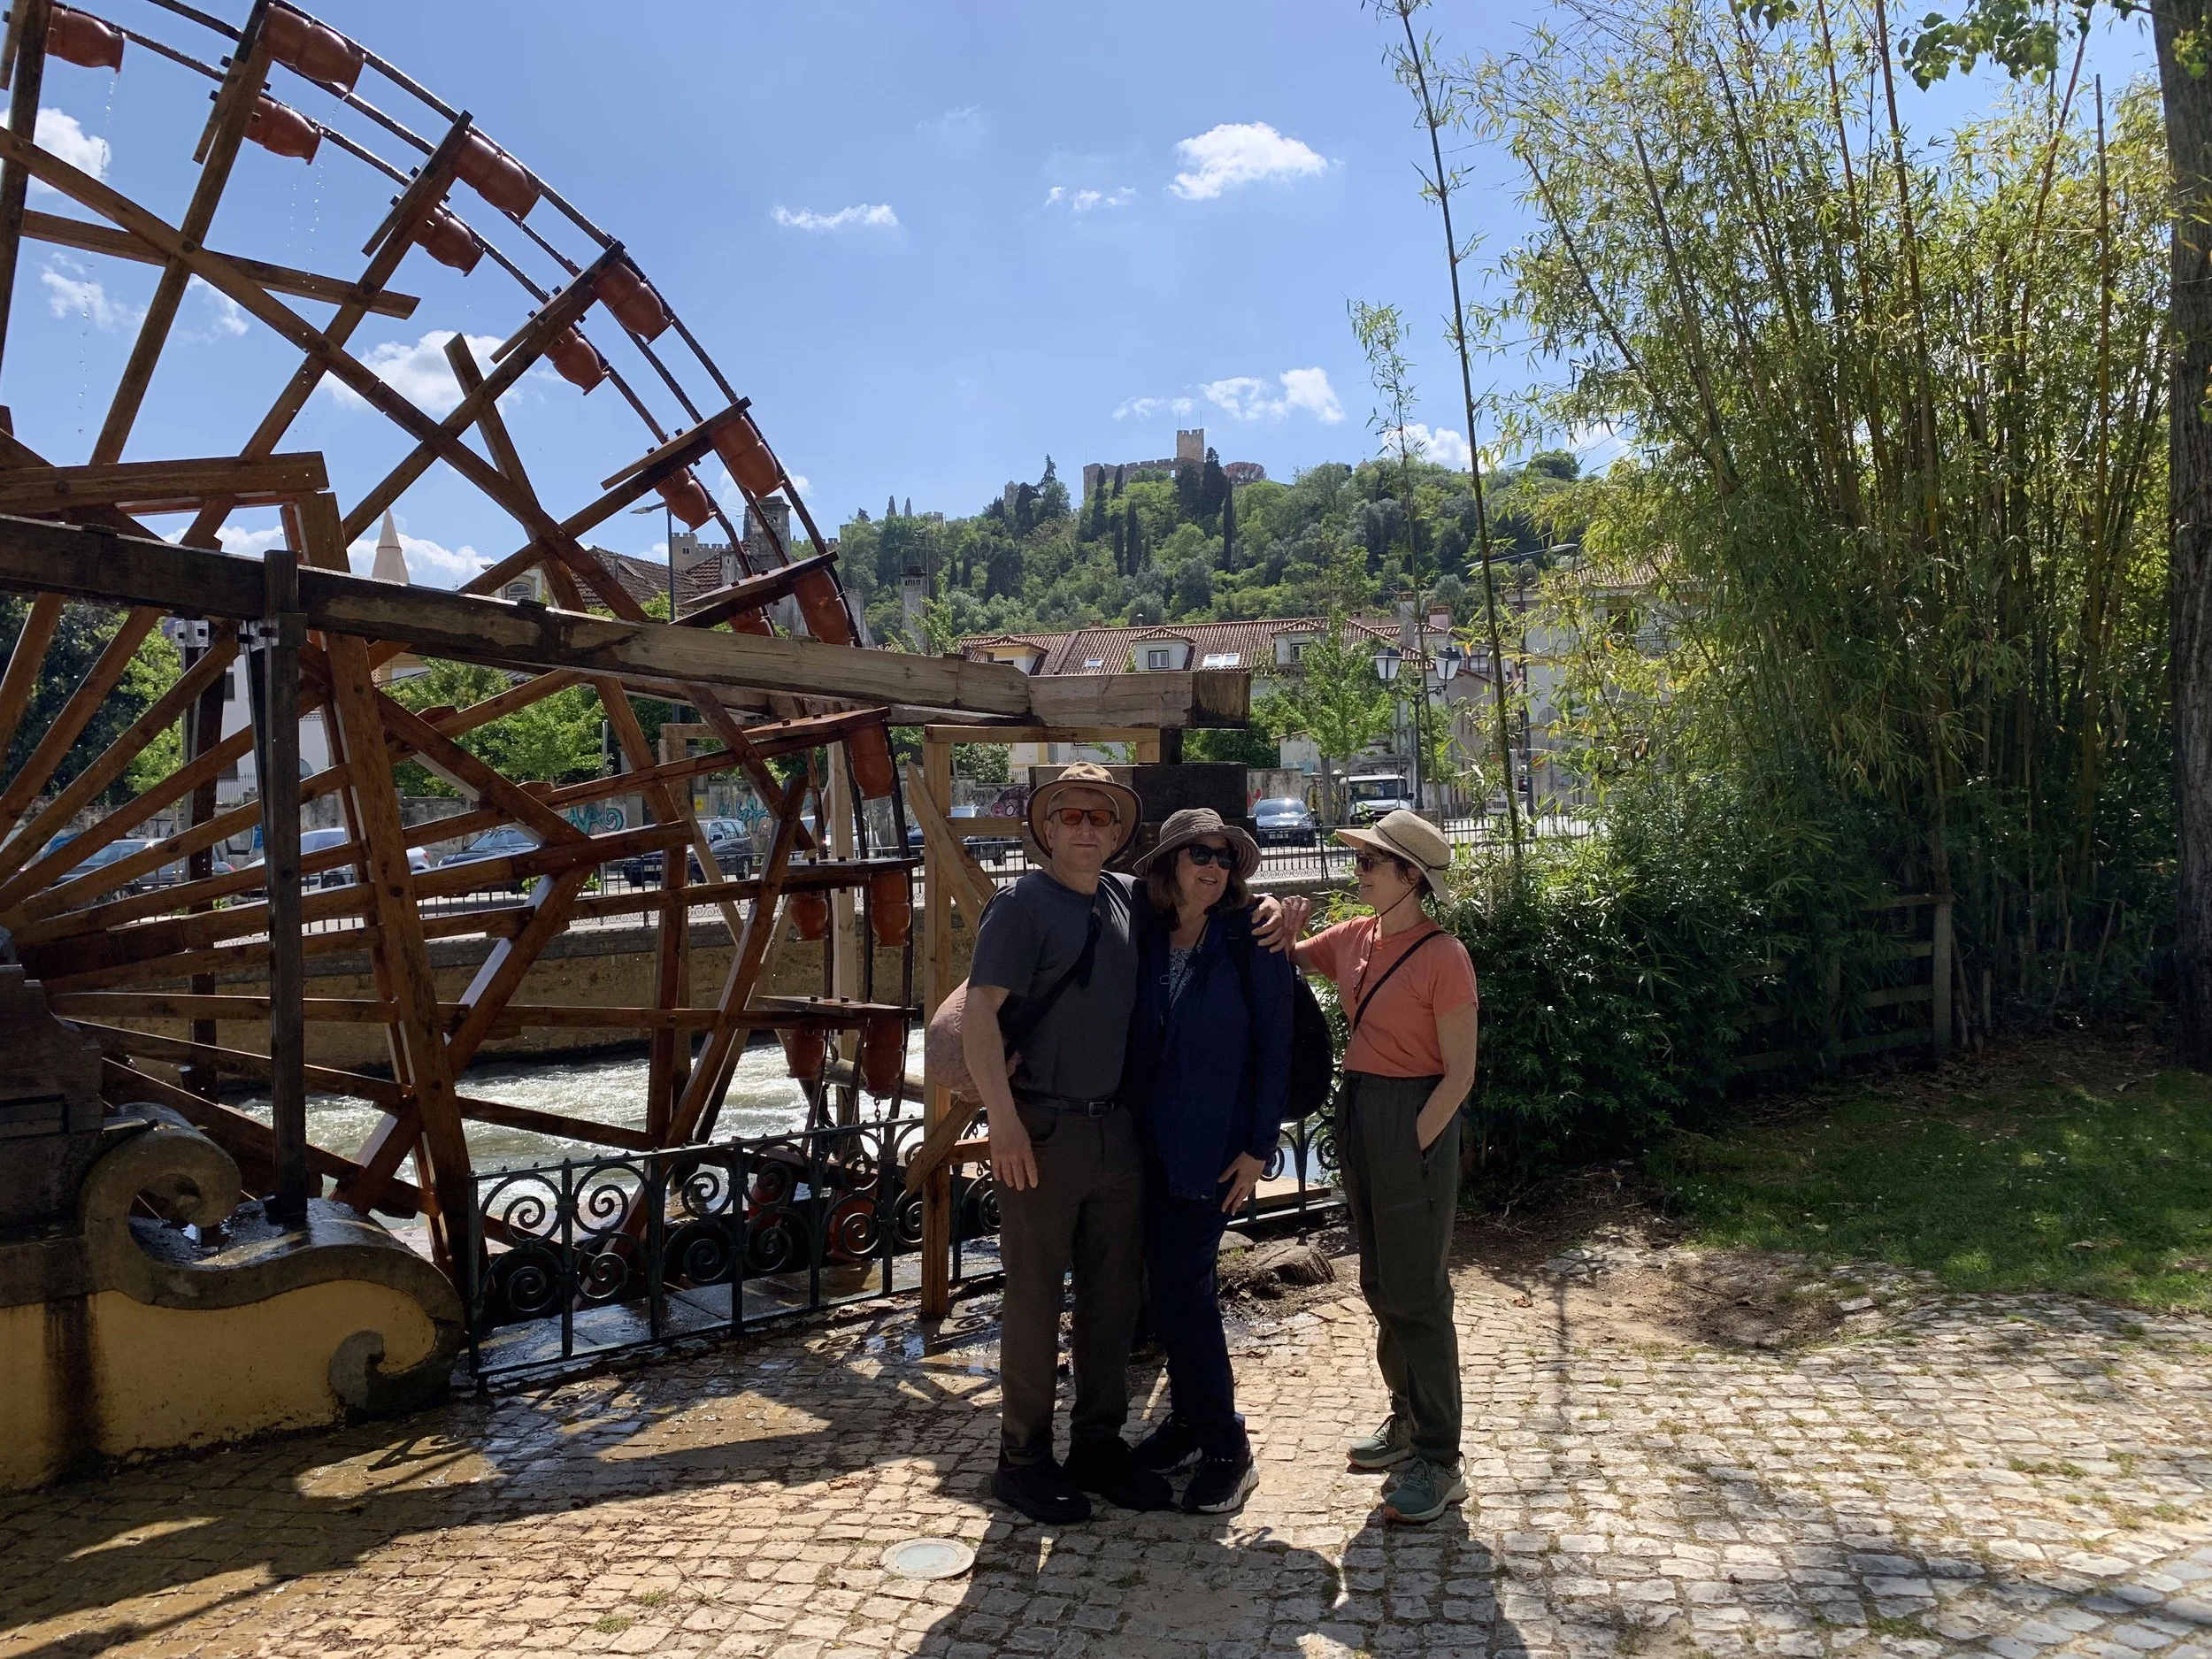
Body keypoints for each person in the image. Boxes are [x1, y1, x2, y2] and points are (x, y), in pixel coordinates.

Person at [963, 764, 1297, 1525]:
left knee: (1114, 1301)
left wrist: (1277, 908)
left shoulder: (1126, 901)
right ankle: (1022, 1458)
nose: (1086, 827)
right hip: (1042, 1132)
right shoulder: (1020, 904)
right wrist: (1002, 1118)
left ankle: (1098, 1444)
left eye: (1100, 816)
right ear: (1047, 826)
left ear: (1118, 833)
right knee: (1036, 1298)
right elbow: (979, 1013)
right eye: (1071, 814)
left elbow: (1258, 1016)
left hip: (1124, 1134)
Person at [1289, 809, 1479, 1525]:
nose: (1359, 870)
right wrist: (1278, 920)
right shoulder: (1356, 938)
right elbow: (1289, 955)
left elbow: (1459, 1073)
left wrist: (1420, 1136)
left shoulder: (1443, 956)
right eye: (1362, 859)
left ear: (1410, 877)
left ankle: (1440, 1457)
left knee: (1418, 1292)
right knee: (1377, 1278)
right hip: (1361, 1108)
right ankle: (1406, 1421)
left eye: (1372, 862)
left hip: (1411, 1117)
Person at [1120, 808, 1292, 1514]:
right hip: (1151, 1140)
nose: (1214, 866)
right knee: (1169, 1287)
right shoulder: (1149, 930)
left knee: (1186, 1291)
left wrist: (1257, 1146)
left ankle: (1227, 1443)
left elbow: (1274, 1046)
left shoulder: (1253, 935)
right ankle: (1191, 1423)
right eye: (1199, 853)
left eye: (1224, 856)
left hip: (1217, 1146)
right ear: (1170, 864)